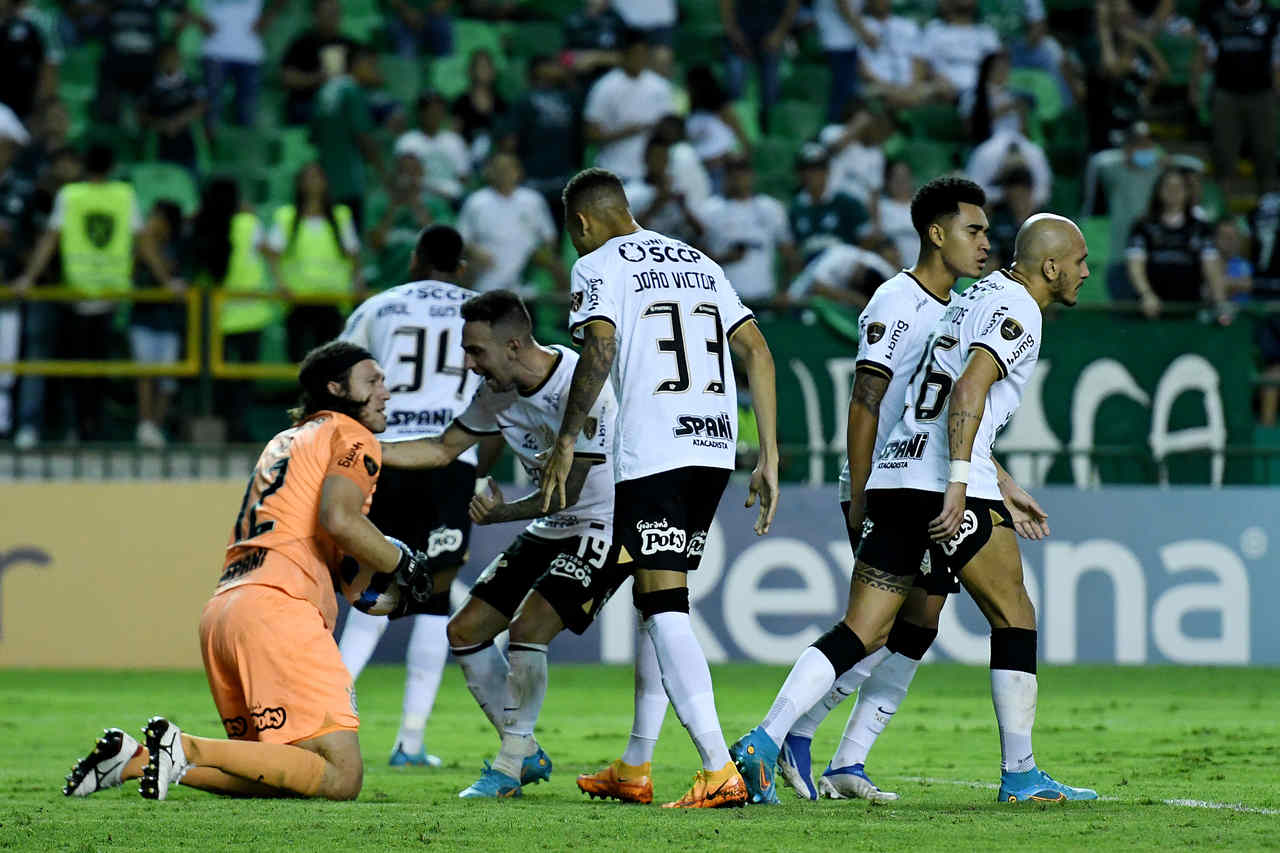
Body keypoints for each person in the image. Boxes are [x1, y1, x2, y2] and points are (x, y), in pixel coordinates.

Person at [731, 213, 1098, 806]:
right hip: (945, 481)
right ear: (1050, 267)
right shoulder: (1020, 309)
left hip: (898, 474)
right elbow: (968, 391)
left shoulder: (974, 296)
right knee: (1015, 615)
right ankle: (1022, 773)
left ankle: (766, 740)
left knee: (867, 629)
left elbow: (941, 394)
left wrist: (996, 479)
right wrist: (961, 483)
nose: (1086, 271)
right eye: (1079, 261)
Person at [62, 340, 435, 802]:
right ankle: (186, 746)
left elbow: (338, 555)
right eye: (373, 380)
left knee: (278, 774)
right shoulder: (351, 434)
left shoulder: (286, 440)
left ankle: (137, 761)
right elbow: (340, 520)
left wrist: (377, 593)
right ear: (336, 388)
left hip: (226, 612)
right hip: (279, 609)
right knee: (341, 776)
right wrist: (405, 562)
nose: (386, 391)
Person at [539, 167, 780, 808]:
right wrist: (771, 454)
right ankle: (636, 765)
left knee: (666, 605)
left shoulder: (599, 266)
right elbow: (757, 349)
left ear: (582, 223)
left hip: (656, 450)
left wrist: (565, 439)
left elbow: (599, 349)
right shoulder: (698, 261)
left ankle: (716, 766)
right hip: (715, 448)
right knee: (656, 598)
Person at [376, 289, 623, 798]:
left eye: (476, 351)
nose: (469, 364)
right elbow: (443, 449)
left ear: (513, 346)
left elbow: (567, 492)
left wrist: (500, 514)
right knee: (464, 630)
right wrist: (358, 446)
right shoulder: (496, 392)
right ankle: (526, 750)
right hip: (551, 524)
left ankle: (509, 765)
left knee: (529, 625)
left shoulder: (582, 384)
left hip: (604, 522)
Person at [335, 225, 488, 769]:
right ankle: (410, 742)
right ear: (461, 267)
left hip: (387, 457)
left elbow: (340, 371)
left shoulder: (381, 306)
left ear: (415, 258)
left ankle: (319, 715)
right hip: (451, 461)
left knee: (370, 594)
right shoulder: (480, 308)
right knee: (434, 602)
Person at [11, 144, 177, 441]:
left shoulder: (70, 195)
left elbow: (50, 239)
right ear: (112, 167)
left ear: (85, 166)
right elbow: (145, 245)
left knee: (75, 366)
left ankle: (77, 428)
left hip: (76, 292)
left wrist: (27, 277)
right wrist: (166, 281)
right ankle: (91, 427)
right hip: (110, 295)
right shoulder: (124, 196)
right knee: (97, 366)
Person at [193, 177, 274, 443]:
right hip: (251, 314)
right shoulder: (249, 223)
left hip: (218, 316)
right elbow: (269, 253)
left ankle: (221, 426)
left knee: (219, 379)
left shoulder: (204, 225)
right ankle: (240, 427)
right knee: (245, 380)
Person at [264, 163, 361, 363]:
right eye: (308, 178)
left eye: (317, 177)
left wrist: (355, 282)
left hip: (332, 299)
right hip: (297, 300)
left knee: (330, 364)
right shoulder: (287, 216)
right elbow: (272, 254)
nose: (313, 183)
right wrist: (281, 284)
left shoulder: (341, 215)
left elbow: (353, 255)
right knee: (298, 362)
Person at [1191, 0, 1279, 196]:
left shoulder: (1271, 15)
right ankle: (1223, 211)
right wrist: (1195, 88)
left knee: (1266, 153)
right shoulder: (1214, 13)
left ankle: (1269, 208)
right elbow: (1202, 53)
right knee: (1223, 154)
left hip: (1262, 95)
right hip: (1226, 94)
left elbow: (1277, 60)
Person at [1124, 167, 1226, 317]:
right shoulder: (1142, 226)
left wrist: (1220, 302)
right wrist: (1146, 295)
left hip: (1190, 307)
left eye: (1178, 187)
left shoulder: (1200, 227)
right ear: (1158, 191)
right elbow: (1135, 265)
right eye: (1168, 186)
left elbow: (1211, 266)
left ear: (1187, 192)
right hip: (1151, 307)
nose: (1173, 191)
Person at [455, 153, 561, 295]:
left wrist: (540, 257)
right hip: (486, 271)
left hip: (526, 274)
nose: (504, 173)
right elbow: (461, 239)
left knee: (557, 267)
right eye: (498, 169)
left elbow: (549, 237)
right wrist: (475, 252)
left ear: (518, 172)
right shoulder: (476, 201)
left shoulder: (533, 200)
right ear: (489, 172)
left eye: (508, 168)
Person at [696, 153, 796, 303]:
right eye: (733, 170)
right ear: (725, 175)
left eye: (742, 170)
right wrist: (724, 258)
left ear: (752, 173)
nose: (738, 176)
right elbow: (695, 261)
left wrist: (785, 291)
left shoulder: (770, 207)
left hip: (764, 297)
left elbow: (789, 253)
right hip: (722, 300)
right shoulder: (708, 210)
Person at [503, 54, 582, 235]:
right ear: (536, 70)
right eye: (550, 65)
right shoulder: (524, 100)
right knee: (528, 233)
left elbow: (579, 136)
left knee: (556, 234)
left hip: (561, 180)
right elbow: (509, 141)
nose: (556, 69)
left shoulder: (569, 98)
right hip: (531, 181)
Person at [130, 200, 187, 448]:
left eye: (158, 218)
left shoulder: (179, 245)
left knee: (166, 378)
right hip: (143, 319)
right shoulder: (142, 244)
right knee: (145, 374)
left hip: (170, 321)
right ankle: (144, 425)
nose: (153, 223)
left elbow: (177, 276)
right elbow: (133, 271)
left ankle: (157, 425)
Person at [582, 29, 674, 183]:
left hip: (651, 173)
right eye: (634, 54)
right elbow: (590, 134)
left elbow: (672, 126)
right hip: (615, 169)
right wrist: (626, 132)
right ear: (623, 55)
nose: (639, 59)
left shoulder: (660, 86)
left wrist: (659, 129)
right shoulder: (605, 87)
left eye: (643, 54)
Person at [311, 42, 385, 229]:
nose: (375, 70)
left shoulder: (324, 91)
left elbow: (313, 135)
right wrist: (381, 169)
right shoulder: (352, 91)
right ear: (358, 63)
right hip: (349, 181)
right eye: (372, 65)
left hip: (325, 180)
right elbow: (363, 136)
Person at [365, 152, 451, 293]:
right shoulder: (379, 203)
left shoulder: (436, 204)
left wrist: (415, 203)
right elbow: (376, 244)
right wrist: (394, 206)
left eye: (413, 172)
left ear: (422, 174)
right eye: (403, 171)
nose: (408, 177)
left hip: (426, 287)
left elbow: (440, 245)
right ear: (394, 175)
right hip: (386, 285)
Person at [197, 0, 282, 130]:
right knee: (211, 112)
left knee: (247, 113)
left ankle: (245, 147)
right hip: (215, 52)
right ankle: (210, 148)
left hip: (249, 55)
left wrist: (268, 17)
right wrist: (197, 20)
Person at [721, 0, 796, 132]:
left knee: (771, 93)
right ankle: (733, 133)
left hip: (771, 32)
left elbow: (792, 4)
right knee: (734, 91)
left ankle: (769, 133)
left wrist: (780, 33)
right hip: (740, 33)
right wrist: (733, 31)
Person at [280, 0, 356, 126]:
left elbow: (372, 75)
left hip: (343, 102)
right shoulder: (302, 43)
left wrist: (350, 78)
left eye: (335, 13)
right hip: (307, 102)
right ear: (315, 16)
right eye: (327, 13)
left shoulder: (349, 44)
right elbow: (286, 78)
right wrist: (317, 78)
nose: (332, 17)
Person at [790, 142, 869, 264]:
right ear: (800, 173)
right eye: (808, 169)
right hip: (809, 271)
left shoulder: (847, 203)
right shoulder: (795, 209)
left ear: (827, 171)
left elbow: (868, 239)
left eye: (818, 168)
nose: (813, 174)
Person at [141, 41, 207, 176]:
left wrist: (178, 122)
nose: (170, 61)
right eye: (167, 57)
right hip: (159, 147)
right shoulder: (151, 87)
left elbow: (201, 106)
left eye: (174, 57)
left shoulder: (190, 84)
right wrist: (162, 125)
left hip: (187, 147)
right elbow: (141, 115)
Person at [394, 91, 472, 206]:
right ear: (420, 112)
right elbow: (402, 178)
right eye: (428, 109)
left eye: (438, 109)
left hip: (451, 200)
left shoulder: (454, 140)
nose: (433, 113)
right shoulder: (407, 141)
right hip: (418, 199)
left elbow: (463, 177)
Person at [919, 0, 1002, 99]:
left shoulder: (986, 33)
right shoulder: (934, 30)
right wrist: (936, 79)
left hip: (982, 90)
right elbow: (921, 65)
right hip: (944, 88)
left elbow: (999, 67)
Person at [786, 239, 897, 308]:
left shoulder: (883, 269)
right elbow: (817, 287)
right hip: (821, 286)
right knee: (790, 299)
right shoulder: (838, 255)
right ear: (861, 268)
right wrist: (853, 298)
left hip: (858, 296)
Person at [451, 48, 507, 165]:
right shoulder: (461, 102)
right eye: (480, 67)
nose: (483, 71)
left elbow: (506, 137)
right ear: (470, 71)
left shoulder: (501, 103)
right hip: (466, 156)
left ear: (493, 71)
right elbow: (454, 135)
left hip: (495, 157)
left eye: (487, 67)